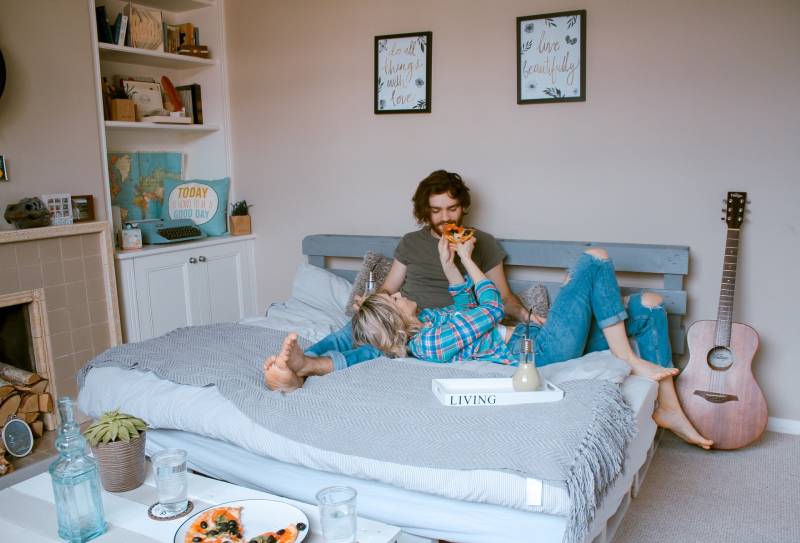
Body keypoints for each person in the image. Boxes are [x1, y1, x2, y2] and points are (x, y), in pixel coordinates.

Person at [267, 236, 713, 450]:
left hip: (540, 336)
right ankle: (627, 357)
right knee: (594, 260)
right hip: (540, 349)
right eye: (396, 298)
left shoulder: (434, 319)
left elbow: (465, 299)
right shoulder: (432, 343)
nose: (400, 293)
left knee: (652, 303)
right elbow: (488, 307)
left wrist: (453, 265)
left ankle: (667, 404)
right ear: (395, 320)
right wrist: (466, 259)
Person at [264, 170, 531, 388]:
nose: (445, 218)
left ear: (463, 207)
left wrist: (526, 315)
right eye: (436, 210)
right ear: (425, 211)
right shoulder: (411, 243)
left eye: (452, 208)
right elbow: (389, 288)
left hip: (441, 325)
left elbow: (503, 296)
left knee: (381, 349)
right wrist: (370, 303)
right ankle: (295, 363)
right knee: (353, 330)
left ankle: (311, 367)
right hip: (403, 314)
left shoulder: (481, 242)